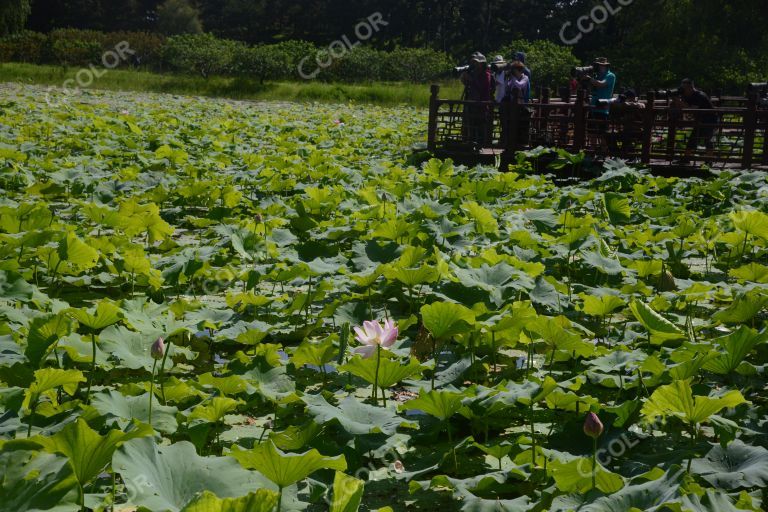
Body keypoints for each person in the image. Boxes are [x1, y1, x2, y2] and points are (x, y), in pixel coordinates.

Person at [674, 78, 717, 160]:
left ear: (690, 87)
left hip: (710, 119)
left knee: (708, 140)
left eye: (684, 88)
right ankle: (686, 159)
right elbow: (683, 107)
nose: (682, 90)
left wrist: (678, 101)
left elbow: (692, 110)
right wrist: (675, 100)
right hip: (700, 119)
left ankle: (709, 160)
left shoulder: (699, 95)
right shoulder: (686, 96)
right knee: (692, 140)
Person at [460, 52, 493, 146]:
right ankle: (470, 143)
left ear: (482, 64)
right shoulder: (473, 73)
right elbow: (468, 85)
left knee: (480, 126)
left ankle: (481, 145)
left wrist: (471, 79)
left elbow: (481, 87)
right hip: (472, 103)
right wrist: (465, 77)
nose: (476, 64)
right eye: (475, 63)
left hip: (481, 104)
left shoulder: (487, 74)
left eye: (477, 63)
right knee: (470, 124)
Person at [607, 89, 646, 159]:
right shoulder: (623, 106)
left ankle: (626, 155)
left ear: (633, 98)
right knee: (608, 135)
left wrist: (626, 104)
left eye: (626, 98)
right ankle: (618, 154)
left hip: (637, 132)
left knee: (627, 138)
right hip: (626, 132)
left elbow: (640, 105)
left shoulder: (639, 105)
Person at [589, 57, 616, 154]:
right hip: (593, 107)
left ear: (604, 66)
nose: (598, 66)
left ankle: (604, 152)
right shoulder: (596, 75)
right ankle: (592, 151)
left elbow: (602, 84)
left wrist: (589, 79)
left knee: (602, 133)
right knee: (591, 132)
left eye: (599, 65)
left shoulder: (610, 75)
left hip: (603, 108)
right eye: (597, 65)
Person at [501, 61, 531, 147]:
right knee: (510, 125)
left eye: (514, 70)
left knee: (519, 126)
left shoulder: (525, 78)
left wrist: (512, 78)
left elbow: (519, 85)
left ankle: (519, 143)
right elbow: (508, 89)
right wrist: (507, 78)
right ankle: (508, 142)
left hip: (522, 106)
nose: (513, 72)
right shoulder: (512, 78)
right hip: (512, 106)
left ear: (519, 70)